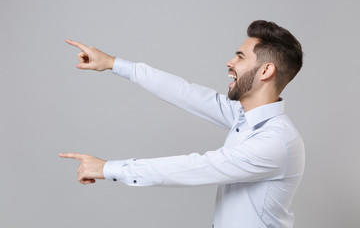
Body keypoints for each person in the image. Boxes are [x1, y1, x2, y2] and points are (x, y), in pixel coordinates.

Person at [60, 20, 305, 228]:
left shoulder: (275, 142)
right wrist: (113, 63)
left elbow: (196, 167)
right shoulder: (242, 115)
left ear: (266, 71)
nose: (229, 62)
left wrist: (108, 169)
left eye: (240, 57)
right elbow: (185, 93)